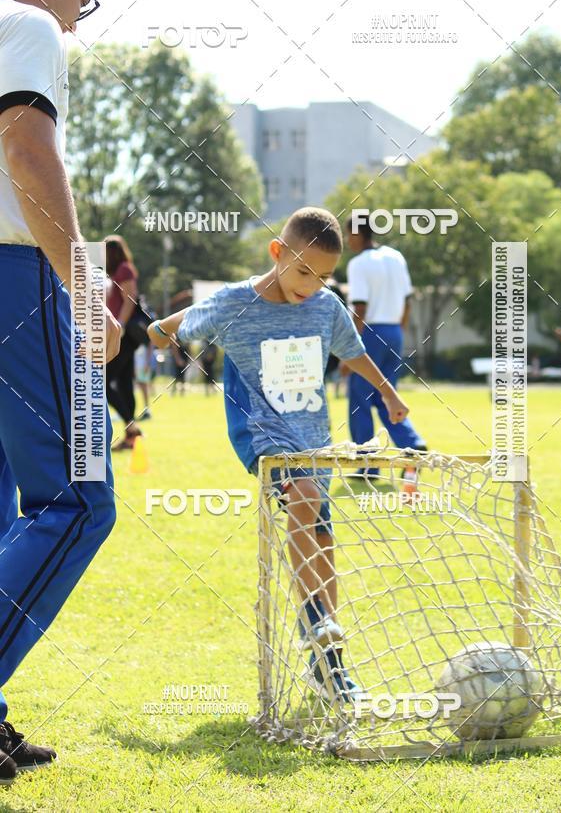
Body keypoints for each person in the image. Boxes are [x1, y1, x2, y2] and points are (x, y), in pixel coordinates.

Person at [147, 207, 411, 702]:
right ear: (277, 253)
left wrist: (389, 394)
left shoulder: (326, 306)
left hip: (313, 436)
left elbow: (353, 353)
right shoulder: (232, 303)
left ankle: (329, 664)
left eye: (324, 275)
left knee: (322, 538)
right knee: (305, 500)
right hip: (262, 434)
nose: (311, 284)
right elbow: (161, 331)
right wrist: (169, 326)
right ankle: (315, 625)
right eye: (303, 271)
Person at [0, 0, 118, 782]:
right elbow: (26, 145)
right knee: (79, 499)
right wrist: (86, 290)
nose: (81, 17)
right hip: (13, 277)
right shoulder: (28, 22)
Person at [345, 213, 426, 468]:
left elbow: (359, 307)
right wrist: (398, 331)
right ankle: (411, 443)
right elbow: (407, 301)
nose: (348, 241)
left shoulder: (358, 263)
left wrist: (350, 348)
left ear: (357, 234)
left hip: (369, 333)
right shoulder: (395, 256)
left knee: (359, 399)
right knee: (386, 395)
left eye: (348, 235)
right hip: (394, 332)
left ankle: (366, 463)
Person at [105, 235, 143, 449]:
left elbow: (130, 299)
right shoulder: (115, 272)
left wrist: (119, 326)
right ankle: (131, 436)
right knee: (124, 383)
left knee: (101, 382)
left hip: (125, 335)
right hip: (122, 334)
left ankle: (131, 427)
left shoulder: (124, 270)